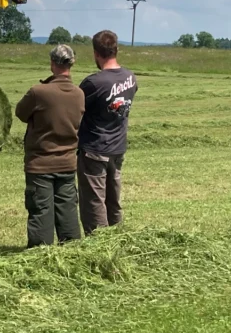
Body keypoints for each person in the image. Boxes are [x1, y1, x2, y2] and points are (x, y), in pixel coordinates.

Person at [15, 44, 85, 248]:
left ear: (52, 63)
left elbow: (20, 113)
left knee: (41, 212)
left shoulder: (39, 92)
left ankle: (41, 253)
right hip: (67, 162)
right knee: (68, 211)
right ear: (71, 64)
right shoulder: (79, 94)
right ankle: (72, 252)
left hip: (41, 164)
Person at [77, 29, 138, 235]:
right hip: (118, 148)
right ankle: (118, 238)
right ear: (116, 49)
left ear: (96, 53)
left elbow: (76, 107)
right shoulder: (130, 77)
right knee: (114, 201)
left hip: (95, 149)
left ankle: (99, 244)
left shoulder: (93, 82)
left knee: (94, 202)